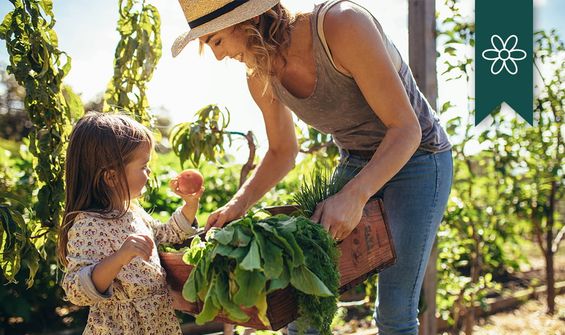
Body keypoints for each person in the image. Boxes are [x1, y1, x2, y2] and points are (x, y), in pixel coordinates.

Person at [172, 0, 453, 334]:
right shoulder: (260, 75)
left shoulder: (342, 25)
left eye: (216, 41)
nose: (218, 57)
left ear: (250, 19)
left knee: (394, 309)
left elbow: (407, 129)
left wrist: (354, 195)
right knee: (305, 301)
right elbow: (282, 151)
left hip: (420, 157)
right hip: (357, 159)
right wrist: (238, 204)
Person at [57, 112, 204, 335]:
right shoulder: (88, 225)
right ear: (112, 177)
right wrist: (120, 257)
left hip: (157, 322)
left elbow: (169, 234)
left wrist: (190, 205)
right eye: (144, 166)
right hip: (122, 327)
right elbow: (76, 289)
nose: (149, 172)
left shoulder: (134, 213)